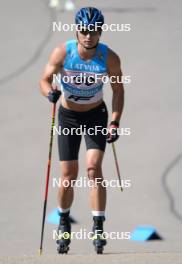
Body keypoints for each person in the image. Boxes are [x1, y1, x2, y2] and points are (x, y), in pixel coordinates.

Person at [39, 7, 124, 254]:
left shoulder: (110, 58)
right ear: (77, 30)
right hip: (68, 117)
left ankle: (98, 225)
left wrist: (115, 121)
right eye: (84, 31)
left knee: (93, 168)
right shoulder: (63, 52)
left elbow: (118, 90)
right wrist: (50, 93)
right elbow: (44, 79)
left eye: (94, 31)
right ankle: (64, 222)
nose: (89, 36)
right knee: (68, 174)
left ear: (100, 32)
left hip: (96, 115)